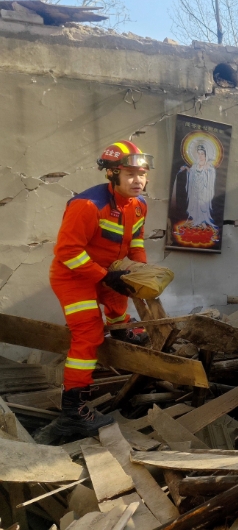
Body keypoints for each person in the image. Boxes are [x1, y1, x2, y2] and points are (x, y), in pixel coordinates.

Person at [49, 140, 154, 437]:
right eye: (130, 174)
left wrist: (139, 271)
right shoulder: (87, 206)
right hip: (73, 277)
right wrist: (105, 277)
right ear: (112, 174)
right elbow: (68, 252)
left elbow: (135, 242)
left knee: (119, 302)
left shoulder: (139, 205)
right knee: (88, 335)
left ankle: (122, 327)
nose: (139, 180)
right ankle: (74, 412)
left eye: (142, 173)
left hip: (108, 272)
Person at [180, 144, 217, 228]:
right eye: (199, 154)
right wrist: (186, 169)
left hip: (204, 189)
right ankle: (196, 219)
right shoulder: (195, 165)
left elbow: (211, 176)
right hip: (195, 188)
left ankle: (203, 221)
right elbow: (192, 173)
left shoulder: (209, 166)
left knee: (202, 204)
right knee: (194, 203)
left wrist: (208, 170)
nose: (200, 156)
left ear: (206, 155)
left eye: (202, 154)